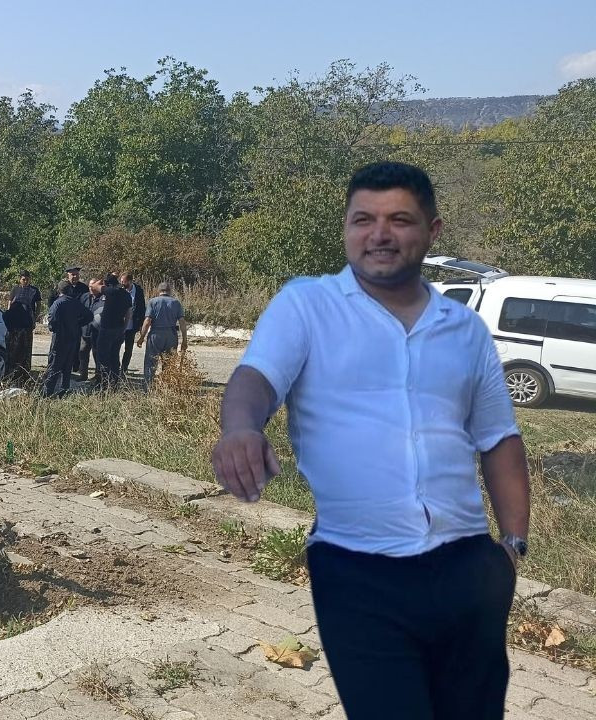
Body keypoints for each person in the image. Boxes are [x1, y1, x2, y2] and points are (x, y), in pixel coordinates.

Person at [211, 162, 529, 720]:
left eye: (399, 219)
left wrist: (512, 550)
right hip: (358, 568)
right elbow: (255, 379)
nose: (379, 234)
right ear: (346, 228)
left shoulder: (465, 330)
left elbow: (499, 439)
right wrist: (241, 427)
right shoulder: (306, 306)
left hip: (469, 568)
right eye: (364, 219)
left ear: (432, 230)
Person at [41, 280, 92, 398]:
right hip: (73, 338)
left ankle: (47, 392)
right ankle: (63, 391)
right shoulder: (75, 303)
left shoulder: (57, 303)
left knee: (54, 366)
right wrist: (78, 324)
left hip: (59, 339)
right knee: (67, 366)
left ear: (59, 290)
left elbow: (52, 319)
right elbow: (89, 315)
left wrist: (54, 328)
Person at [136, 281, 188, 389]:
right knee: (169, 363)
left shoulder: (153, 302)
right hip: (171, 335)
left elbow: (147, 321)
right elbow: (182, 321)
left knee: (151, 362)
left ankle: (148, 387)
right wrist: (184, 339)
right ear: (170, 291)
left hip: (156, 334)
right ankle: (167, 387)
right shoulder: (176, 303)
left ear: (158, 290)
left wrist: (142, 337)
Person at [95, 274, 132, 389]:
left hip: (106, 329)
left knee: (103, 358)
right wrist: (124, 328)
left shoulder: (110, 291)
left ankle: (104, 385)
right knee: (115, 357)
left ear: (107, 283)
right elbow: (129, 313)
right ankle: (115, 383)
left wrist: (103, 279)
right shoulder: (126, 295)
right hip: (119, 329)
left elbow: (95, 286)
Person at [4, 270, 41, 382]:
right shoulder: (15, 289)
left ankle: (25, 373)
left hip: (27, 323)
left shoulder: (34, 290)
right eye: (23, 279)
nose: (25, 281)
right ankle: (11, 373)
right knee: (13, 349)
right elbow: (10, 303)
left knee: (26, 348)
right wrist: (9, 315)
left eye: (27, 279)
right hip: (15, 323)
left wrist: (35, 317)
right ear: (20, 279)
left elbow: (38, 304)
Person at [118, 272, 146, 374]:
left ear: (130, 281)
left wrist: (141, 324)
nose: (121, 284)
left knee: (128, 349)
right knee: (116, 346)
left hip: (132, 325)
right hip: (120, 324)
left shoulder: (138, 291)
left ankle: (124, 369)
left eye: (123, 282)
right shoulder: (119, 290)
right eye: (120, 281)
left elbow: (142, 308)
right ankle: (117, 366)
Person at [77, 279, 104, 382]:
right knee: (82, 352)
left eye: (93, 286)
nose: (91, 288)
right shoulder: (84, 297)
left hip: (97, 331)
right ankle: (83, 374)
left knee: (97, 354)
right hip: (85, 330)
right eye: (89, 286)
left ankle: (98, 376)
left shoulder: (103, 298)